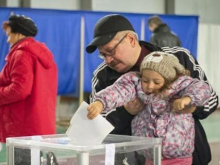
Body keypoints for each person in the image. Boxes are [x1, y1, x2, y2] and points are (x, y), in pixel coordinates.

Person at [86, 14, 219, 165]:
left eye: (110, 51)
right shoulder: (103, 76)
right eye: (103, 54)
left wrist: (191, 106)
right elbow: (97, 128)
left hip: (187, 159)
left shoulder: (179, 58)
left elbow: (211, 98)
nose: (108, 59)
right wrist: (126, 113)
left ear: (130, 39)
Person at [87, 52, 211, 164]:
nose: (150, 86)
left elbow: (202, 89)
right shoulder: (136, 85)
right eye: (145, 80)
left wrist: (187, 99)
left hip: (178, 158)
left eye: (156, 82)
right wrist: (100, 103)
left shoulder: (181, 86)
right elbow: (119, 90)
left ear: (168, 79)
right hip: (151, 156)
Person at [1, 15, 58, 164]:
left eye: (9, 33)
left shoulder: (21, 54)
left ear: (18, 33)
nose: (7, 38)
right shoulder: (41, 55)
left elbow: (19, 89)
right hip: (39, 126)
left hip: (23, 128)